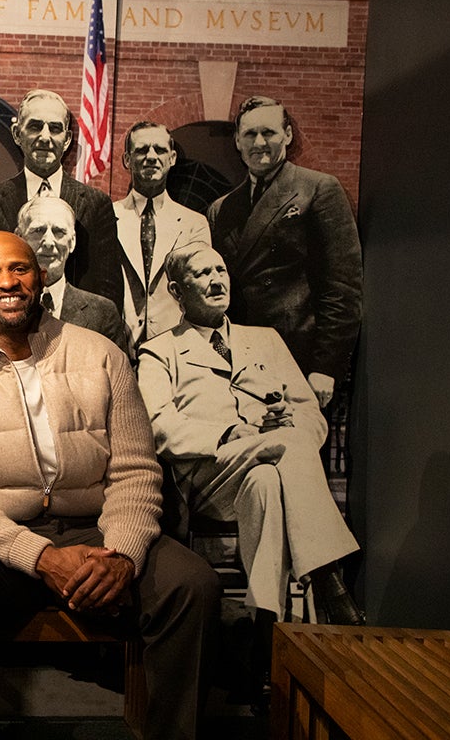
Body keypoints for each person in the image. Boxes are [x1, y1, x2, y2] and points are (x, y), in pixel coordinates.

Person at [0, 231, 219, 740]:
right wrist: (40, 557)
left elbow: (136, 472)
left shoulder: (102, 356)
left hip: (96, 531)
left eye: (20, 269)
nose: (7, 282)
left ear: (42, 277)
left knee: (194, 586)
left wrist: (121, 553)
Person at [137, 241, 362, 626]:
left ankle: (265, 625)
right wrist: (227, 434)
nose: (215, 281)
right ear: (177, 291)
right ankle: (328, 577)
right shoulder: (159, 352)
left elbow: (311, 414)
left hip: (270, 466)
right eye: (202, 274)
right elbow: (158, 427)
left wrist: (290, 424)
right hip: (211, 476)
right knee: (279, 450)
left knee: (266, 480)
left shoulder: (266, 340)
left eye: (220, 271)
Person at [206, 96, 362, 408]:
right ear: (237, 141)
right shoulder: (221, 209)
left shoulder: (318, 189)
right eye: (250, 134)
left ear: (287, 136)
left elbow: (342, 287)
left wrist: (325, 368)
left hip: (297, 357)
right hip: (241, 356)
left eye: (269, 133)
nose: (259, 143)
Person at [0, 89, 122, 312]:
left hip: (73, 332)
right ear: (17, 134)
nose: (45, 137)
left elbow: (108, 290)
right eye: (35, 126)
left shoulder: (95, 204)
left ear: (66, 140)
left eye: (55, 129)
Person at [0, 195, 130, 353]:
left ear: (72, 242)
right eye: (38, 230)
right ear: (19, 238)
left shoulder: (102, 314)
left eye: (59, 231)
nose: (49, 242)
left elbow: (116, 376)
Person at [113, 121, 210, 350]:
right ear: (127, 159)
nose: (151, 156)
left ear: (172, 158)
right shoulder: (108, 216)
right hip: (119, 347)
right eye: (142, 150)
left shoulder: (194, 224)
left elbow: (199, 291)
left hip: (175, 349)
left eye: (160, 149)